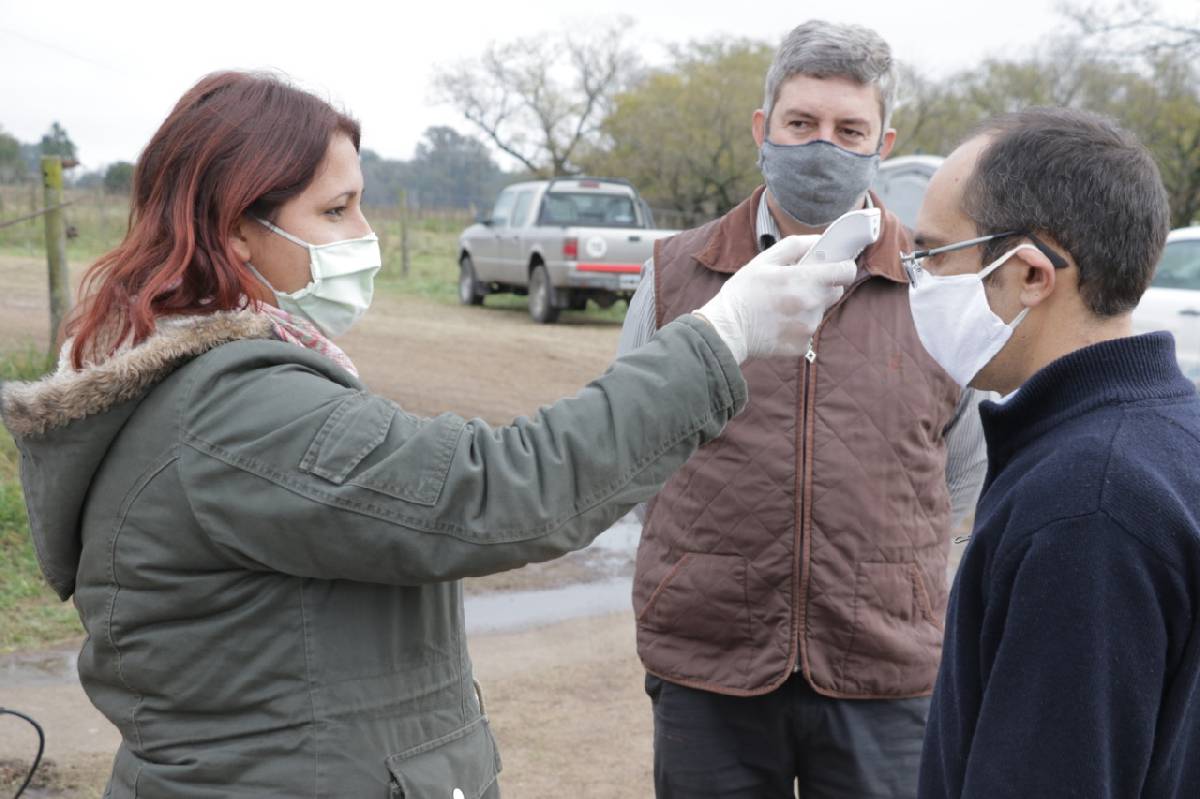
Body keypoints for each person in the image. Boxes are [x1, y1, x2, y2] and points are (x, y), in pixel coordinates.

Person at [0, 71, 858, 798]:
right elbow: (492, 491)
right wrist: (721, 337)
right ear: (233, 230)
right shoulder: (237, 412)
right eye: (335, 210)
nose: (363, 236)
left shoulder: (200, 379)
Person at [616, 20, 989, 799]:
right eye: (802, 124)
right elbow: (632, 442)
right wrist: (701, 560)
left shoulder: (936, 288)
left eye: (850, 129)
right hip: (710, 661)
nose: (824, 145)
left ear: (883, 140)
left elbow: (962, 470)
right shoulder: (676, 275)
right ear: (764, 130)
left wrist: (892, 576)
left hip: (882, 670)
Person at [912, 108, 1200, 798]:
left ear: (1031, 274)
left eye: (932, 254)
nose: (915, 280)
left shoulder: (1085, 504)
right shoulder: (1172, 430)